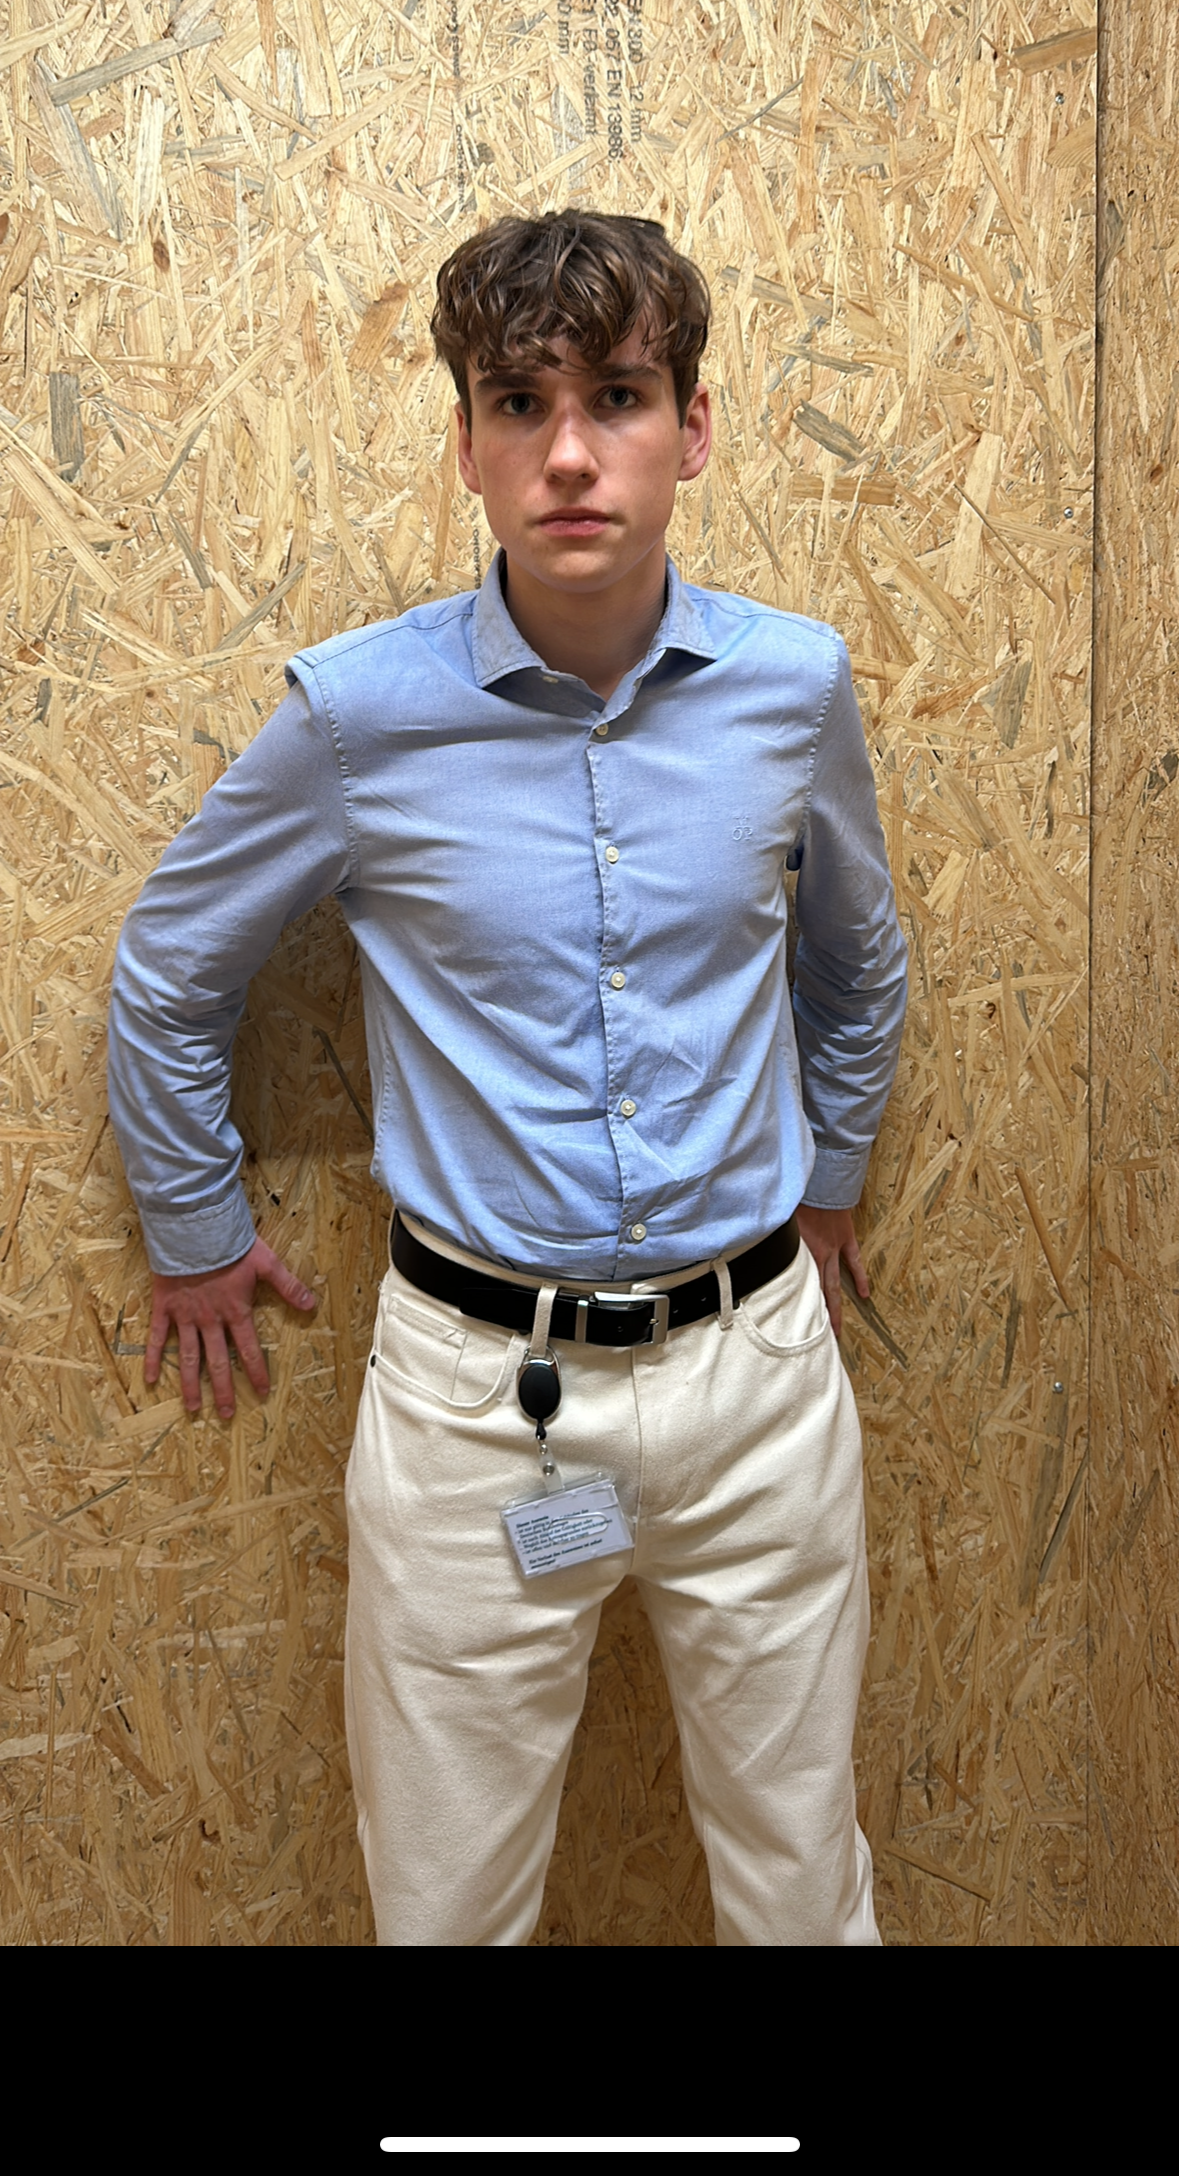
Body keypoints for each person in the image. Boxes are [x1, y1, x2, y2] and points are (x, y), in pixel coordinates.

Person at [107, 209, 908, 1947]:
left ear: (692, 427)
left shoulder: (792, 686)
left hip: (760, 1382)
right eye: (517, 400)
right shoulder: (356, 717)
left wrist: (832, 1176)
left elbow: (856, 963)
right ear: (465, 440)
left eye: (617, 395)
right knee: (448, 1909)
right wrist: (193, 1231)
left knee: (802, 1887)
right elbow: (172, 971)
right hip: (479, 1405)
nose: (568, 453)